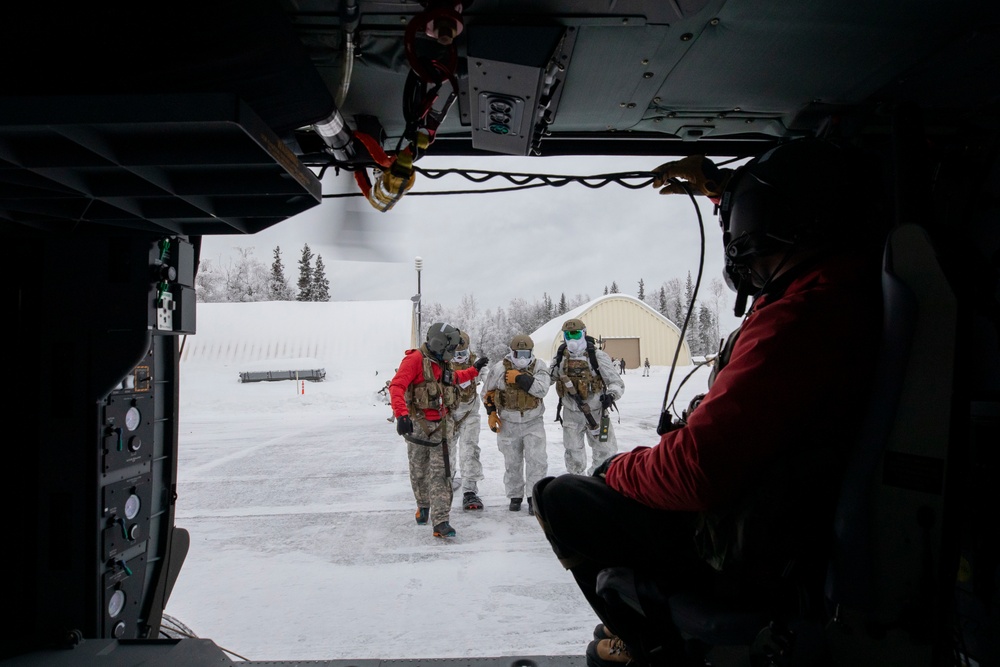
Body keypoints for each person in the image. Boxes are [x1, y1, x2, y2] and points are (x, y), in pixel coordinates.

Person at [531, 138, 887, 667]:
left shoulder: (802, 320)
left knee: (560, 497)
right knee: (605, 475)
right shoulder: (841, 290)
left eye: (750, 238)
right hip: (776, 517)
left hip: (752, 546)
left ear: (791, 230)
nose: (743, 255)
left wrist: (619, 473)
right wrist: (724, 192)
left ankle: (650, 646)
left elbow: (697, 470)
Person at [389, 322, 489, 538]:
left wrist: (474, 371)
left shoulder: (442, 362)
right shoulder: (415, 360)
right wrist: (401, 415)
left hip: (442, 427)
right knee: (419, 472)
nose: (453, 355)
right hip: (418, 427)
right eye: (450, 350)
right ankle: (423, 505)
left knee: (442, 475)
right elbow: (397, 386)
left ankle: (441, 521)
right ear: (439, 344)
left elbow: (452, 380)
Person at [481, 334, 552, 516]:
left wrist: (520, 378)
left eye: (525, 353)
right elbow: (487, 392)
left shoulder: (539, 366)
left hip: (533, 422)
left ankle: (533, 498)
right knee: (512, 462)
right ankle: (515, 496)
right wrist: (491, 413)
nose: (522, 358)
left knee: (537, 461)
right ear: (511, 352)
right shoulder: (499, 369)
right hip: (508, 422)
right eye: (518, 353)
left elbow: (542, 389)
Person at [549, 318, 624, 476]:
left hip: (597, 413)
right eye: (568, 335)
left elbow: (616, 382)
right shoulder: (560, 358)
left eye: (576, 334)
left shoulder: (597, 356)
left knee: (606, 450)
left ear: (584, 333)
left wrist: (611, 395)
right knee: (573, 452)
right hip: (571, 414)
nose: (572, 339)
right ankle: (578, 484)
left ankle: (600, 482)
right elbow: (548, 379)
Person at [448, 331, 486, 510]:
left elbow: (490, 383)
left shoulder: (476, 364)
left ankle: (470, 491)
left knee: (469, 450)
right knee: (445, 452)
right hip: (448, 414)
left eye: (463, 354)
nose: (460, 358)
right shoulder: (443, 364)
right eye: (456, 354)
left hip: (470, 413)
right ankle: (445, 484)